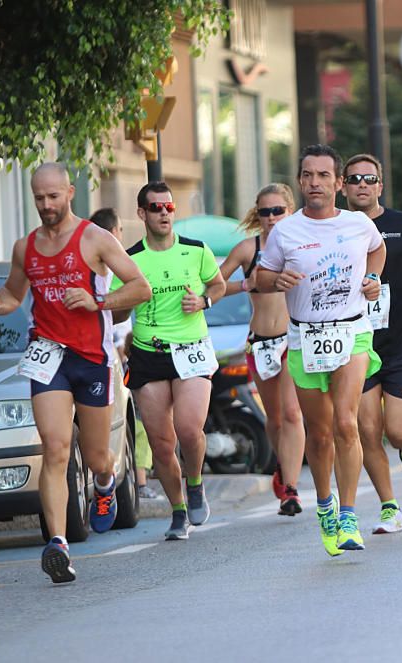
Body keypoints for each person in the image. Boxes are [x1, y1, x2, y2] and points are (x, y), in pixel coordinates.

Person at [0, 163, 151, 583]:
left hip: (90, 357)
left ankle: (106, 484)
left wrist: (98, 303)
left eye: (53, 197)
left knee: (96, 457)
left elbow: (139, 287)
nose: (46, 205)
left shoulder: (95, 239)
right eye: (39, 198)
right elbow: (14, 291)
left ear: (70, 193)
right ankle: (57, 543)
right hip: (47, 356)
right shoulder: (25, 247)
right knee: (54, 448)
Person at [253, 144, 386, 556]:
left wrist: (373, 278)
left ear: (339, 183)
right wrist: (276, 282)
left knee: (347, 423)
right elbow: (261, 274)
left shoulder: (358, 224)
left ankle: (349, 515)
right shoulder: (285, 231)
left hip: (352, 332)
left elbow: (377, 250)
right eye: (308, 175)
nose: (315, 183)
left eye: (323, 176)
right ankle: (325, 502)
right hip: (305, 337)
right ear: (300, 181)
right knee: (321, 431)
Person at [111, 181, 227, 540]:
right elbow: (115, 314)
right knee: (161, 443)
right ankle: (178, 510)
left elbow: (219, 285)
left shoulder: (196, 250)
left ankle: (195, 484)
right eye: (156, 208)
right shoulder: (130, 259)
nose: (164, 213)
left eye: (169, 207)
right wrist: (128, 299)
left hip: (192, 348)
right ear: (142, 213)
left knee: (190, 430)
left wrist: (204, 302)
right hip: (149, 354)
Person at [340, 153, 402, 534]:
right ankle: (389, 507)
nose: (362, 185)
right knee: (367, 429)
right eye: (354, 179)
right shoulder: (336, 227)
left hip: (398, 345)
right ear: (343, 186)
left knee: (397, 432)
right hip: (356, 343)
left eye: (369, 179)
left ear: (380, 185)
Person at [222, 184, 306, 516]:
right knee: (274, 419)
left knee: (292, 414)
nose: (271, 218)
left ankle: (291, 488)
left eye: (277, 211)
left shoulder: (301, 244)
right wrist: (245, 284)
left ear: (290, 211)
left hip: (293, 339)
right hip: (261, 342)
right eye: (264, 212)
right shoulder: (247, 249)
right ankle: (282, 468)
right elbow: (213, 285)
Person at [90, 208, 157, 499]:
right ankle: (130, 483)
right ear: (113, 232)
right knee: (128, 427)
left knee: (130, 426)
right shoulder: (106, 269)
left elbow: (141, 290)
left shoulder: (118, 266)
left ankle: (127, 483)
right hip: (109, 362)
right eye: (118, 231)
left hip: (116, 358)